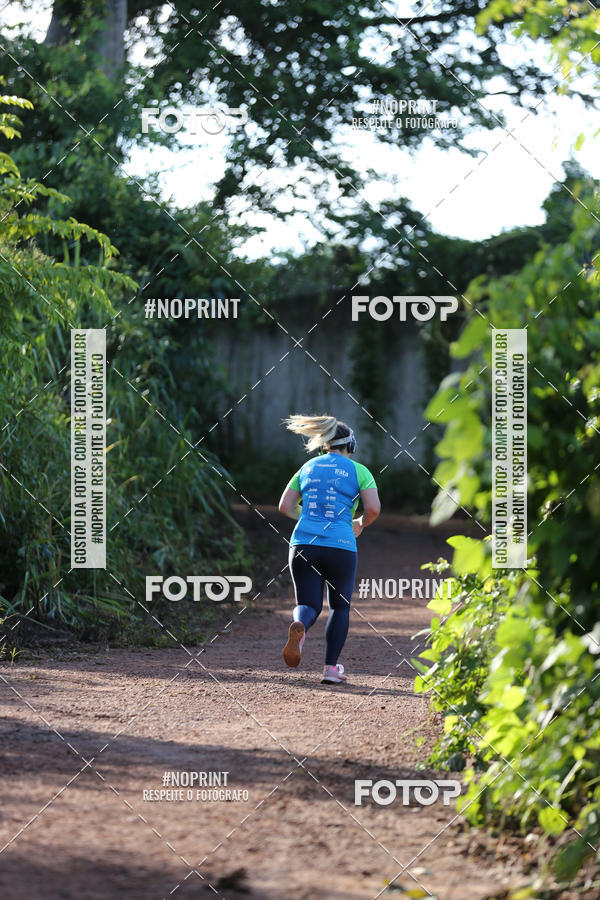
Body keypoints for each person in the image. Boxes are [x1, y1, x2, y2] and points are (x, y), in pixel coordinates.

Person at [278, 414, 381, 684]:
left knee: (307, 604)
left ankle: (300, 626)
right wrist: (359, 524)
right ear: (351, 446)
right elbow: (373, 508)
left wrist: (307, 517)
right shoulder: (359, 471)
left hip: (303, 544)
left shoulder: (307, 467)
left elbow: (285, 507)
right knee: (340, 607)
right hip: (341, 545)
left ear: (324, 444)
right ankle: (330, 670)